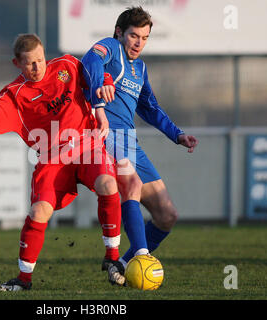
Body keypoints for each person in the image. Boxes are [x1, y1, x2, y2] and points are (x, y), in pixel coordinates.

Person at [0, 34, 126, 291]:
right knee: (39, 211)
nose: (38, 67)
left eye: (40, 59)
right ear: (16, 63)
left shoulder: (66, 66)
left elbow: (95, 72)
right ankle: (23, 280)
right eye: (30, 63)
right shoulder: (14, 95)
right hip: (53, 158)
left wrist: (105, 83)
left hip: (88, 145)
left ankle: (111, 260)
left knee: (108, 184)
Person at [81, 7, 199, 268]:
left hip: (130, 143)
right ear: (120, 32)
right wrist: (99, 99)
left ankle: (121, 265)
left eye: (144, 38)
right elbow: (90, 60)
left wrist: (177, 135)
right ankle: (142, 258)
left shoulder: (140, 69)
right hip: (107, 136)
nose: (139, 43)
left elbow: (150, 108)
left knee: (167, 215)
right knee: (131, 186)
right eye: (134, 36)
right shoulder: (111, 47)